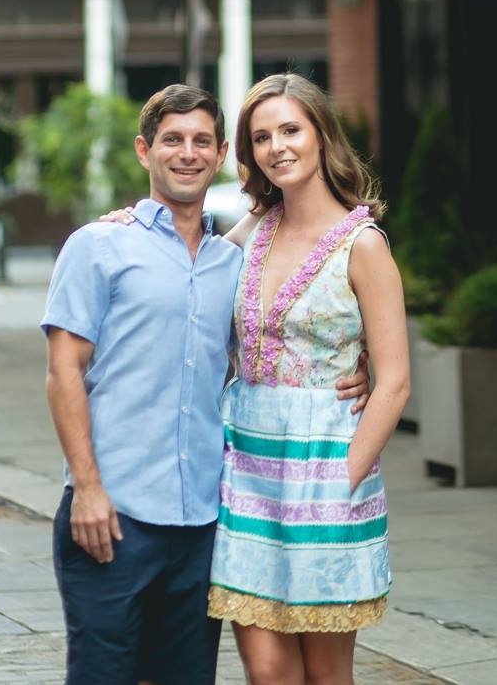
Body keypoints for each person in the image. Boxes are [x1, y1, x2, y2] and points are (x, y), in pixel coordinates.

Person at [42, 84, 369, 684]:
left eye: (201, 142)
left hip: (203, 525)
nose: (186, 154)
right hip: (113, 515)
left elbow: (295, 317)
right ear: (145, 150)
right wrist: (86, 488)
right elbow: (64, 370)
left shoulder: (234, 260)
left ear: (220, 155)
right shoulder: (99, 246)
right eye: (172, 140)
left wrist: (360, 356)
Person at [207, 72, 409, 685]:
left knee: (325, 673)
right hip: (246, 469)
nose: (277, 147)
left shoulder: (363, 244)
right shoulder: (250, 232)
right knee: (267, 672)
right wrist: (129, 223)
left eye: (290, 129)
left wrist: (340, 479)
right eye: (261, 137)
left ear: (321, 135)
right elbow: (183, 268)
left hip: (327, 469)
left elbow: (395, 379)